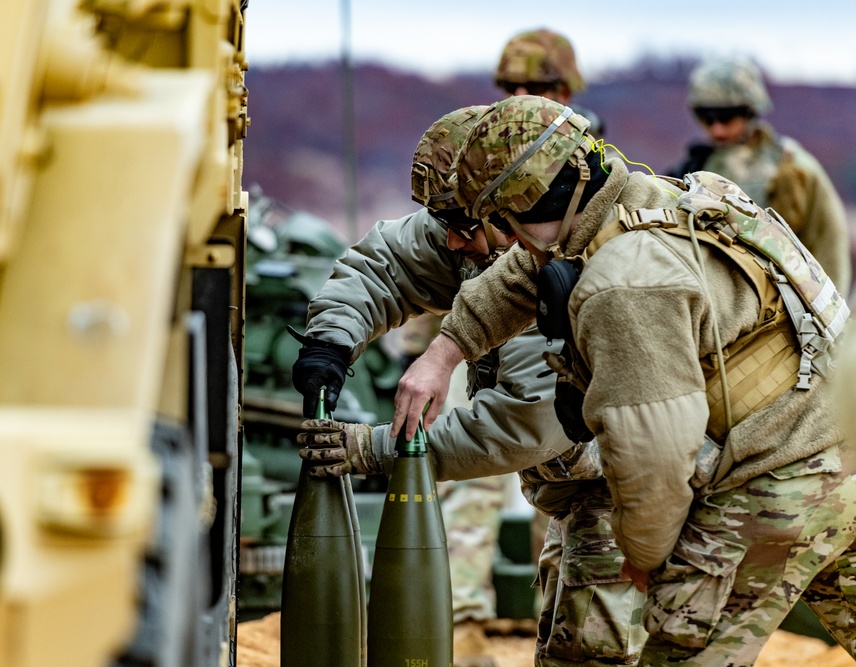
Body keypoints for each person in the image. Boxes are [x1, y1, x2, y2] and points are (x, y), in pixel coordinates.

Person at [392, 93, 855, 666]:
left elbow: (654, 455)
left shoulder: (624, 286)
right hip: (837, 438)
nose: (495, 240)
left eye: (494, 223)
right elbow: (527, 269)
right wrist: (446, 350)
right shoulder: (646, 198)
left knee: (679, 647)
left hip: (784, 473)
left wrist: (643, 554)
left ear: (512, 212)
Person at [292, 106, 647, 667]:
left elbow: (527, 424)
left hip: (641, 488)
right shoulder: (466, 232)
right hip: (578, 488)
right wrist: (331, 341)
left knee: (600, 651)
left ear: (507, 210)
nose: (453, 243)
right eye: (445, 225)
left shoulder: (560, 271)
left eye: (464, 227)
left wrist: (375, 448)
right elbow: (382, 266)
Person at [670, 55, 851, 296]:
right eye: (706, 117)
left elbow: (830, 246)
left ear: (750, 112)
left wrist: (828, 320)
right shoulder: (697, 165)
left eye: (726, 117)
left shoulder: (792, 167)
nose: (716, 128)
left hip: (781, 306)